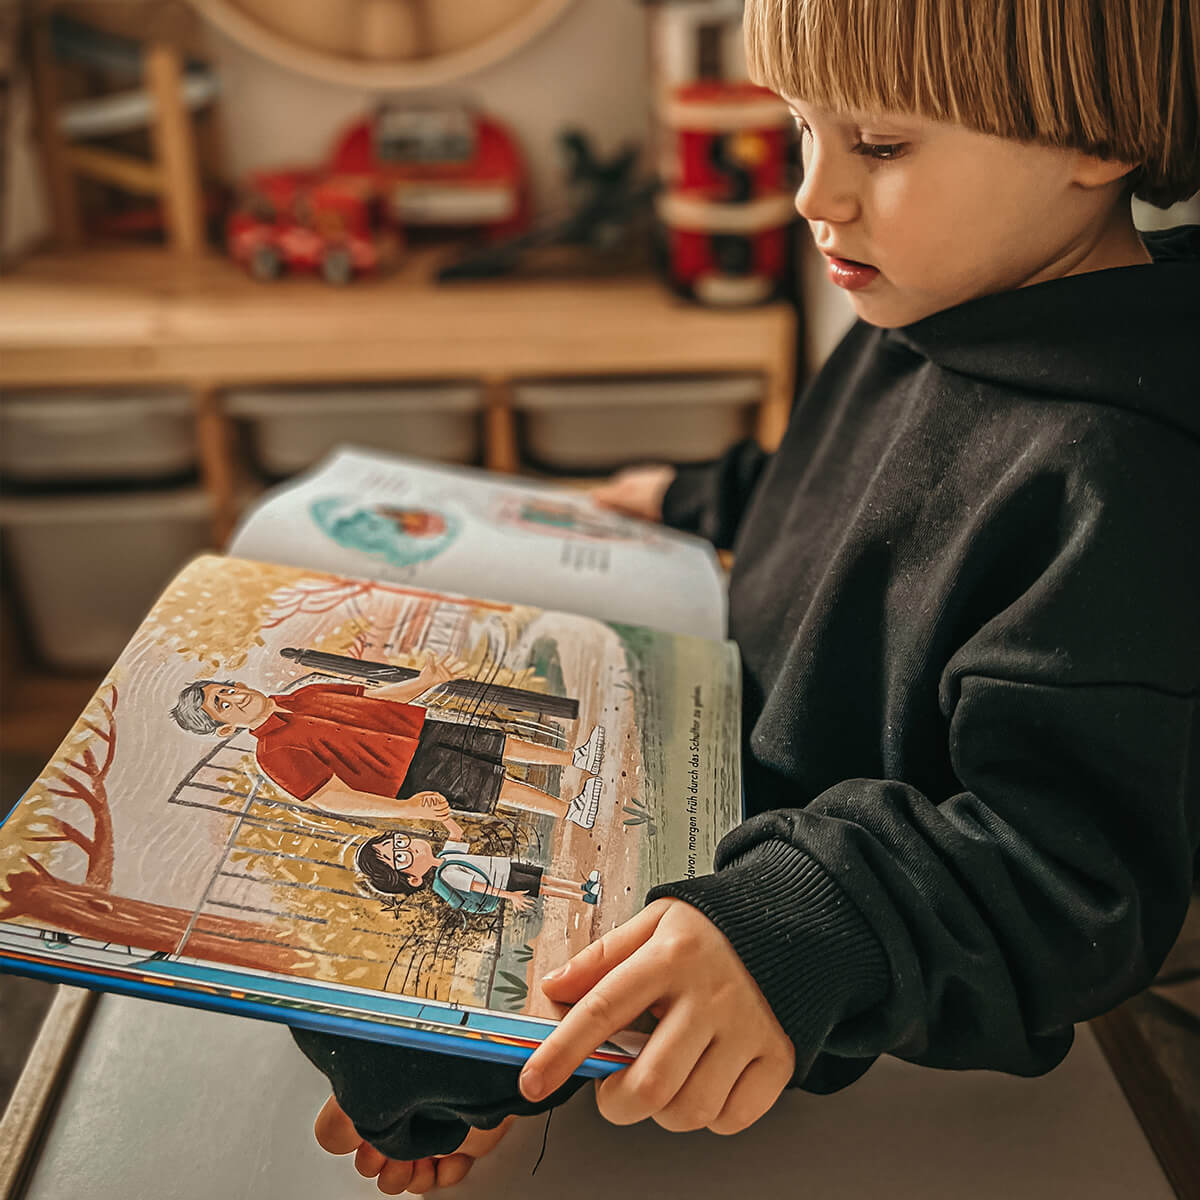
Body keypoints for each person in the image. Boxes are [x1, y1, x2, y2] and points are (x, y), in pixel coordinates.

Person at [294, 0, 1200, 1192]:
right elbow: (860, 494)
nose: (815, 195)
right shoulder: (943, 298)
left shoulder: (1113, 476)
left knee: (392, 996)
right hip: (701, 762)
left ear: (1093, 140)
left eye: (879, 146)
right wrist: (695, 496)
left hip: (830, 924)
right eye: (799, 129)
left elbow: (1078, 880)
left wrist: (799, 926)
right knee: (345, 953)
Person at [170, 654, 607, 829]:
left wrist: (427, 680)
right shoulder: (273, 754)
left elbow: (374, 699)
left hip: (414, 729)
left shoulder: (307, 694)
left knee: (498, 744)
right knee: (488, 785)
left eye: (225, 689)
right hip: (403, 773)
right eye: (222, 706)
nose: (234, 696)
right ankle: (570, 810)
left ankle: (576, 758)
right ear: (225, 730)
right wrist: (404, 808)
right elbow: (333, 800)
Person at [354, 827, 603, 910]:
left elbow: (457, 834)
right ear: (413, 879)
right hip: (504, 882)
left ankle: (583, 886)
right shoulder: (447, 874)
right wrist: (511, 897)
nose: (411, 849)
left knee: (544, 878)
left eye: (400, 842)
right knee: (542, 889)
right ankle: (585, 897)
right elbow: (480, 887)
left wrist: (440, 812)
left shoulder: (445, 856)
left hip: (505, 867)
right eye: (400, 857)